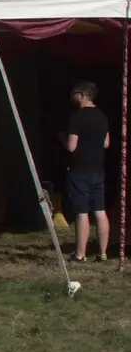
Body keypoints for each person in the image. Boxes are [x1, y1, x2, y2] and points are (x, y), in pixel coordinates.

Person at [64, 80, 112, 262]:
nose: (72, 96)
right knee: (100, 210)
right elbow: (106, 143)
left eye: (74, 93)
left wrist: (63, 138)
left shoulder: (78, 117)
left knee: (82, 212)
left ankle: (80, 254)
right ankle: (102, 253)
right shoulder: (102, 116)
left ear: (82, 94)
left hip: (80, 169)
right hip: (98, 168)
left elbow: (71, 146)